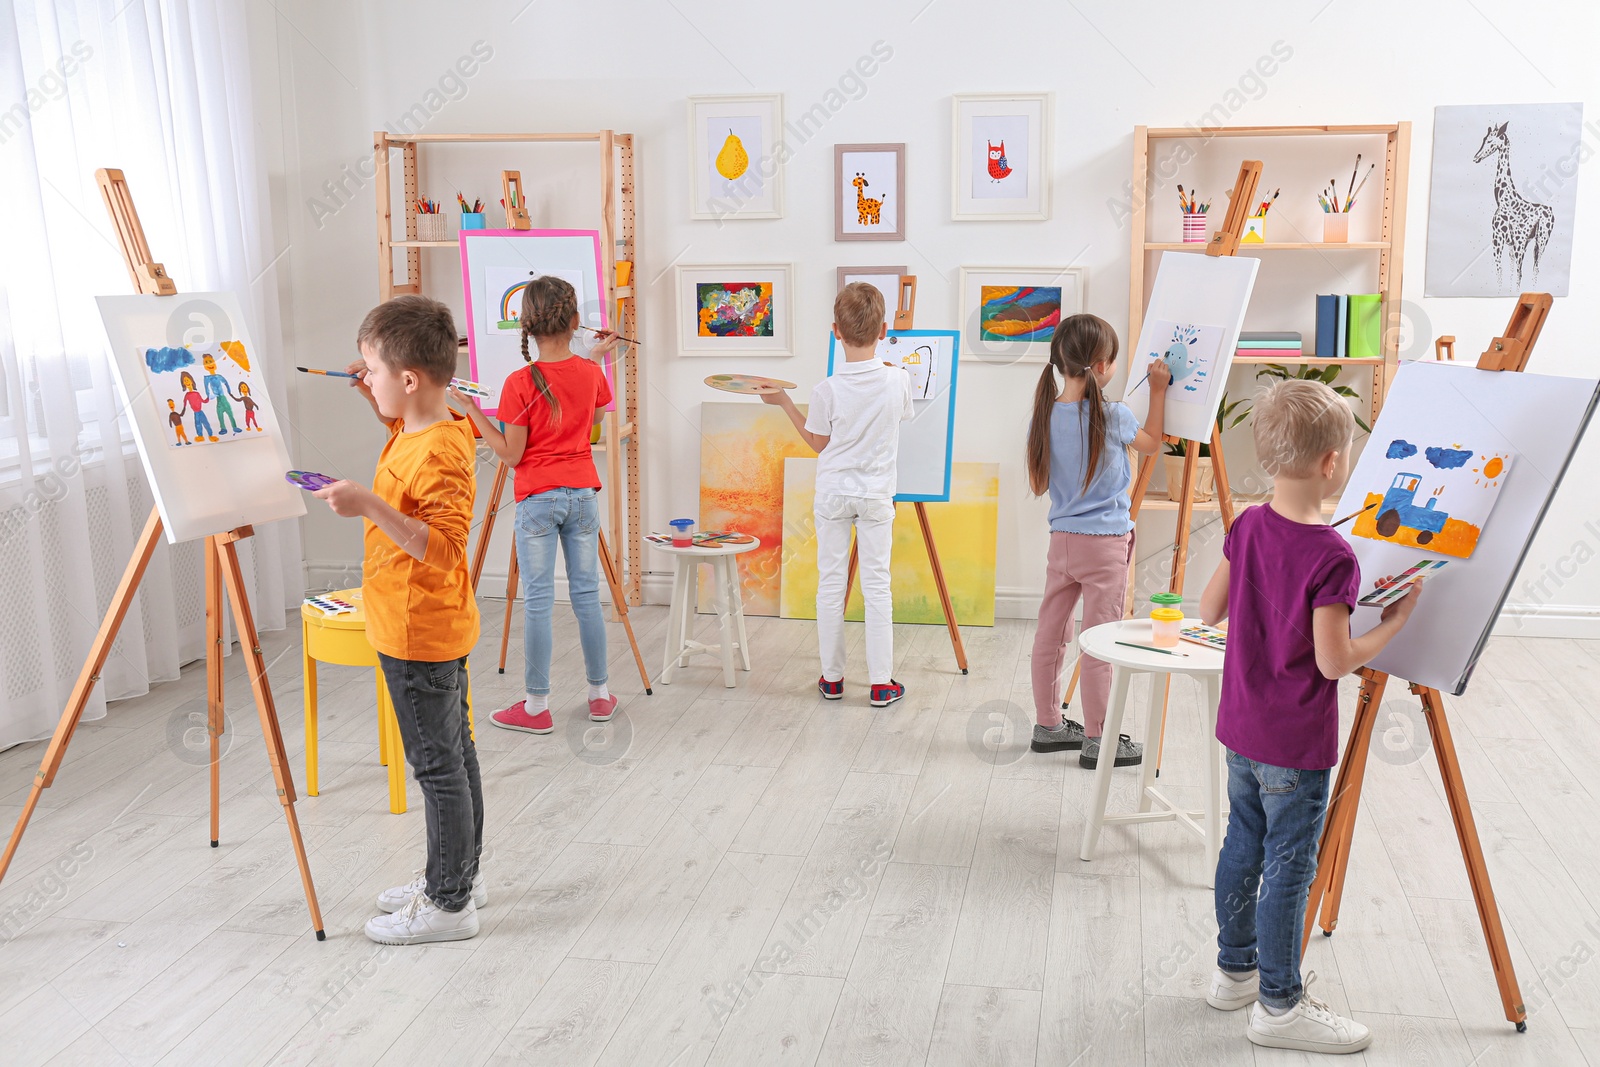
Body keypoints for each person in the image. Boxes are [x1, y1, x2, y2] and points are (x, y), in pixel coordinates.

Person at [1199, 379, 1419, 1054]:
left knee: (1242, 845)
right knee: (1290, 866)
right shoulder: (1332, 555)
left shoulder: (1247, 525)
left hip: (1241, 730)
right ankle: (1279, 1003)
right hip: (1295, 744)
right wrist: (1395, 623)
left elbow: (1209, 609)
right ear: (1332, 463)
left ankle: (1234, 970)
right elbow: (1333, 662)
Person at [314, 294, 485, 945]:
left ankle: (449, 902)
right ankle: (461, 873)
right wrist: (371, 401)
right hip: (423, 625)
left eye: (373, 370)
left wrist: (365, 505)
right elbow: (407, 461)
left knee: (439, 766)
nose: (367, 379)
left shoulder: (441, 450)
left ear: (409, 379)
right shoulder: (422, 429)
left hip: (420, 633)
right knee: (456, 756)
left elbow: (442, 547)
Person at [451, 277, 620, 735]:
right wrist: (597, 360)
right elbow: (593, 426)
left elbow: (509, 454)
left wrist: (471, 410)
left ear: (526, 326)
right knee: (587, 597)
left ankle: (536, 706)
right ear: (574, 321)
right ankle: (600, 697)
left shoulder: (519, 383)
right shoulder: (590, 373)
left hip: (537, 499)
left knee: (540, 600)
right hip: (583, 493)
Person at [1026, 314, 1169, 769]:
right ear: (1103, 365)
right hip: (1105, 544)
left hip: (1061, 541)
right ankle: (1098, 738)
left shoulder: (1047, 414)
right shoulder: (1114, 414)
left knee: (1052, 634)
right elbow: (1151, 444)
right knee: (1100, 640)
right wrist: (1160, 392)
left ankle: (1048, 725)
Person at [761, 282, 912, 707]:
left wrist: (786, 404)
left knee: (830, 583)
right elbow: (899, 420)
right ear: (884, 330)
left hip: (832, 494)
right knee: (877, 584)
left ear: (835, 331)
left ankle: (832, 679)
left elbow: (819, 445)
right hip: (877, 494)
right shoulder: (898, 381)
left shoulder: (826, 389)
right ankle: (882, 684)